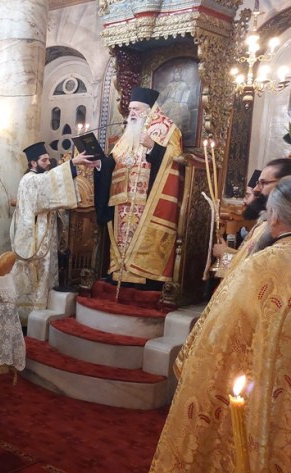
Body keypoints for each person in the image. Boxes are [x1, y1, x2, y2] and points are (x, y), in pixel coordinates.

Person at [149, 176, 291, 472]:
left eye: (263, 184)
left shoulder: (267, 260)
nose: (256, 191)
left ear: (276, 215)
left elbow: (221, 334)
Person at [93, 86, 184, 288]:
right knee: (121, 237)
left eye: (136, 109)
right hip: (122, 199)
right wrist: (99, 164)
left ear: (149, 110)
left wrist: (153, 147)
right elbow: (113, 160)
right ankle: (120, 272)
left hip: (148, 199)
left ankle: (144, 277)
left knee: (142, 237)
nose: (131, 113)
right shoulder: (126, 135)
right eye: (130, 109)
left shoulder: (167, 129)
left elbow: (175, 158)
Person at [10, 142, 99, 309]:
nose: (48, 163)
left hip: (42, 233)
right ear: (33, 163)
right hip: (34, 236)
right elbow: (48, 181)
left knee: (45, 271)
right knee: (36, 272)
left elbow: (50, 183)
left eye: (48, 159)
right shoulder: (29, 179)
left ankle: (40, 307)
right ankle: (29, 311)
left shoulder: (37, 178)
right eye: (44, 160)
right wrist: (72, 163)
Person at [215, 158, 291, 276]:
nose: (256, 189)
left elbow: (259, 275)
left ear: (284, 185)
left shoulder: (280, 229)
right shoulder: (264, 224)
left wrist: (225, 255)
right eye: (258, 183)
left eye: (264, 183)